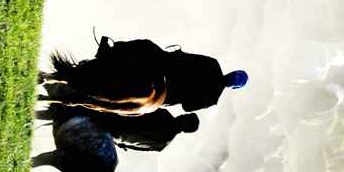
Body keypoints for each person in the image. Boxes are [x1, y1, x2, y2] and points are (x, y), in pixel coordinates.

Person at [42, 39, 250, 117]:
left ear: (232, 73)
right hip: (165, 97)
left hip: (166, 67)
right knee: (128, 111)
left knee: (143, 46)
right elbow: (187, 107)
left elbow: (186, 58)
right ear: (233, 87)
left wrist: (177, 56)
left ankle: (108, 52)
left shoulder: (213, 64)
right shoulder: (212, 99)